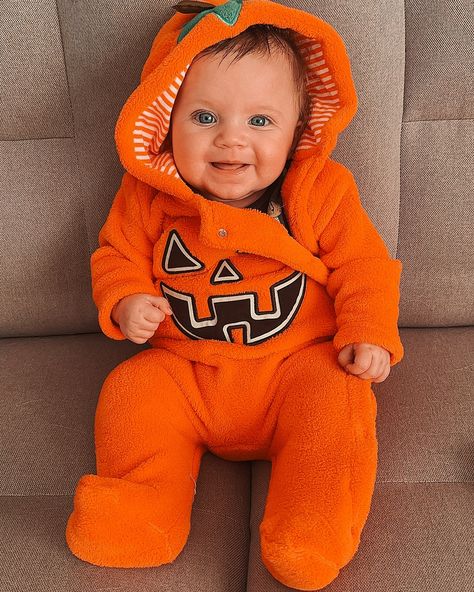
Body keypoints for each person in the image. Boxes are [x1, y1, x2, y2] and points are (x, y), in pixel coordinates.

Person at [66, 1, 404, 589]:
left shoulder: (320, 190)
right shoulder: (149, 196)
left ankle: (311, 525)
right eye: (203, 117)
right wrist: (125, 299)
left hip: (294, 367)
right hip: (186, 369)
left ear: (299, 127)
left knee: (339, 403)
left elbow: (364, 267)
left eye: (260, 121)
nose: (230, 139)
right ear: (165, 119)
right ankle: (142, 513)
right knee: (131, 389)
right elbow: (115, 254)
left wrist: (368, 332)